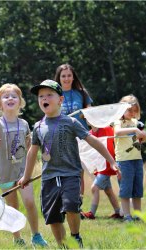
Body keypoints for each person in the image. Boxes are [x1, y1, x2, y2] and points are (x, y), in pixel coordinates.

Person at [18, 80, 120, 248]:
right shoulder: (38, 127)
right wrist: (26, 176)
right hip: (49, 177)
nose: (45, 98)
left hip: (70, 174)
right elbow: (32, 153)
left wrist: (111, 161)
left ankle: (75, 236)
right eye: (41, 96)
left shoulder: (70, 122)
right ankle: (63, 246)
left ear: (61, 100)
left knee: (71, 205)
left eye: (49, 95)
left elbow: (93, 140)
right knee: (52, 217)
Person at [0, 83, 47, 247]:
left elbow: (31, 146)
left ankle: (36, 235)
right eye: (6, 96)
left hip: (22, 172)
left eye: (14, 96)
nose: (10, 99)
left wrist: (42, 153)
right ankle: (17, 237)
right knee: (13, 207)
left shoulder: (24, 124)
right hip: (4, 174)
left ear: (20, 101)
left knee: (30, 202)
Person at [54, 63, 93, 199]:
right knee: (65, 169)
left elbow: (91, 115)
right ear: (58, 78)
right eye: (63, 76)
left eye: (69, 75)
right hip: (62, 137)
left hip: (81, 137)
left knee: (80, 170)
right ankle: (65, 199)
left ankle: (78, 202)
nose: (66, 78)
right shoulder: (54, 95)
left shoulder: (82, 93)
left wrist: (89, 118)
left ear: (73, 77)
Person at [113, 94, 146, 222]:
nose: (132, 113)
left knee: (137, 189)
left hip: (137, 159)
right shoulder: (118, 121)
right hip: (124, 160)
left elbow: (143, 139)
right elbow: (117, 132)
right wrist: (134, 130)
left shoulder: (136, 122)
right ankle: (127, 215)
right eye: (129, 110)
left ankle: (138, 215)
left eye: (134, 111)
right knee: (125, 189)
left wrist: (143, 134)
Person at [80, 125, 122, 220]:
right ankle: (118, 212)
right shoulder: (89, 134)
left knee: (95, 188)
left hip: (107, 166)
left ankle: (92, 213)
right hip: (99, 167)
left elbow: (115, 132)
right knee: (108, 191)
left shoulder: (106, 129)